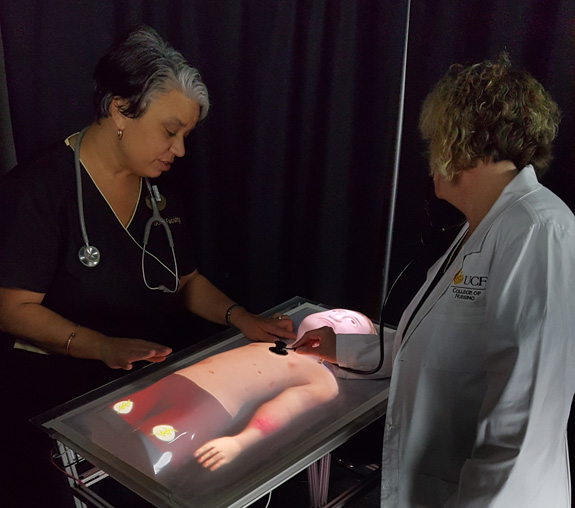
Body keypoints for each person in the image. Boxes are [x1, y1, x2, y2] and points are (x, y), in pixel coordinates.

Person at [0, 26, 294, 507]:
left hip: (134, 388)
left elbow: (186, 281)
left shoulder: (158, 192)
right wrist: (100, 346)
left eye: (185, 136)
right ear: (120, 110)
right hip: (55, 400)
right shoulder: (39, 190)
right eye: (170, 131)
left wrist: (243, 319)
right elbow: (11, 307)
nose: (179, 150)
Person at [294, 53, 575, 507]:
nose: (429, 157)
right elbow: (431, 354)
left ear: (460, 141)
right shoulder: (477, 231)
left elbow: (522, 424)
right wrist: (341, 348)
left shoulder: (538, 231)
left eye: (434, 140)